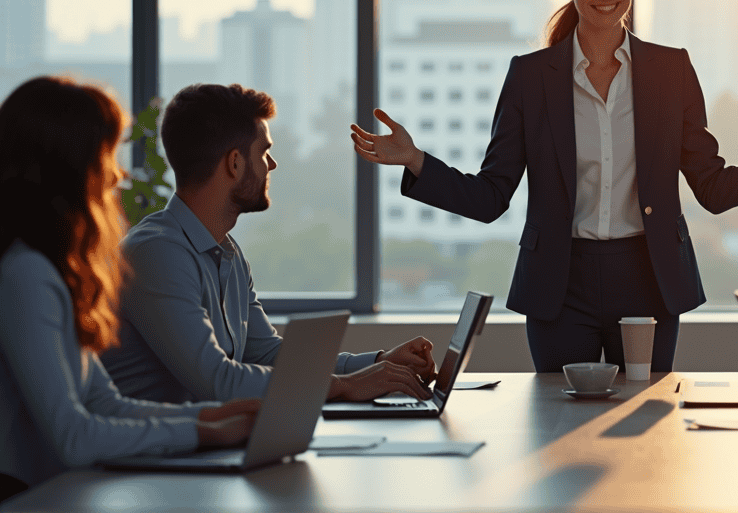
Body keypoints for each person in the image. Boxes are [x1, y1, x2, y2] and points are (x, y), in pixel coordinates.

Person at [350, 0, 738, 373]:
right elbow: (490, 197)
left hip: (648, 279)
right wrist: (416, 161)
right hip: (559, 284)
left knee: (643, 432)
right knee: (557, 430)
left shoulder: (670, 70)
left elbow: (714, 187)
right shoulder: (530, 78)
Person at [0, 77, 261, 504]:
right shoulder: (26, 274)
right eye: (106, 154)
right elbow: (74, 435)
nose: (117, 172)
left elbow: (106, 403)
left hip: (65, 491)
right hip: (31, 497)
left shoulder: (54, 269)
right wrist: (201, 431)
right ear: (68, 164)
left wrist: (215, 415)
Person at [101, 83, 436, 404]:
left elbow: (267, 354)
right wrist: (345, 386)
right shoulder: (157, 253)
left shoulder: (227, 253)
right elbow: (217, 381)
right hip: (149, 458)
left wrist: (377, 363)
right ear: (234, 163)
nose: (271, 165)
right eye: (264, 152)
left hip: (201, 448)